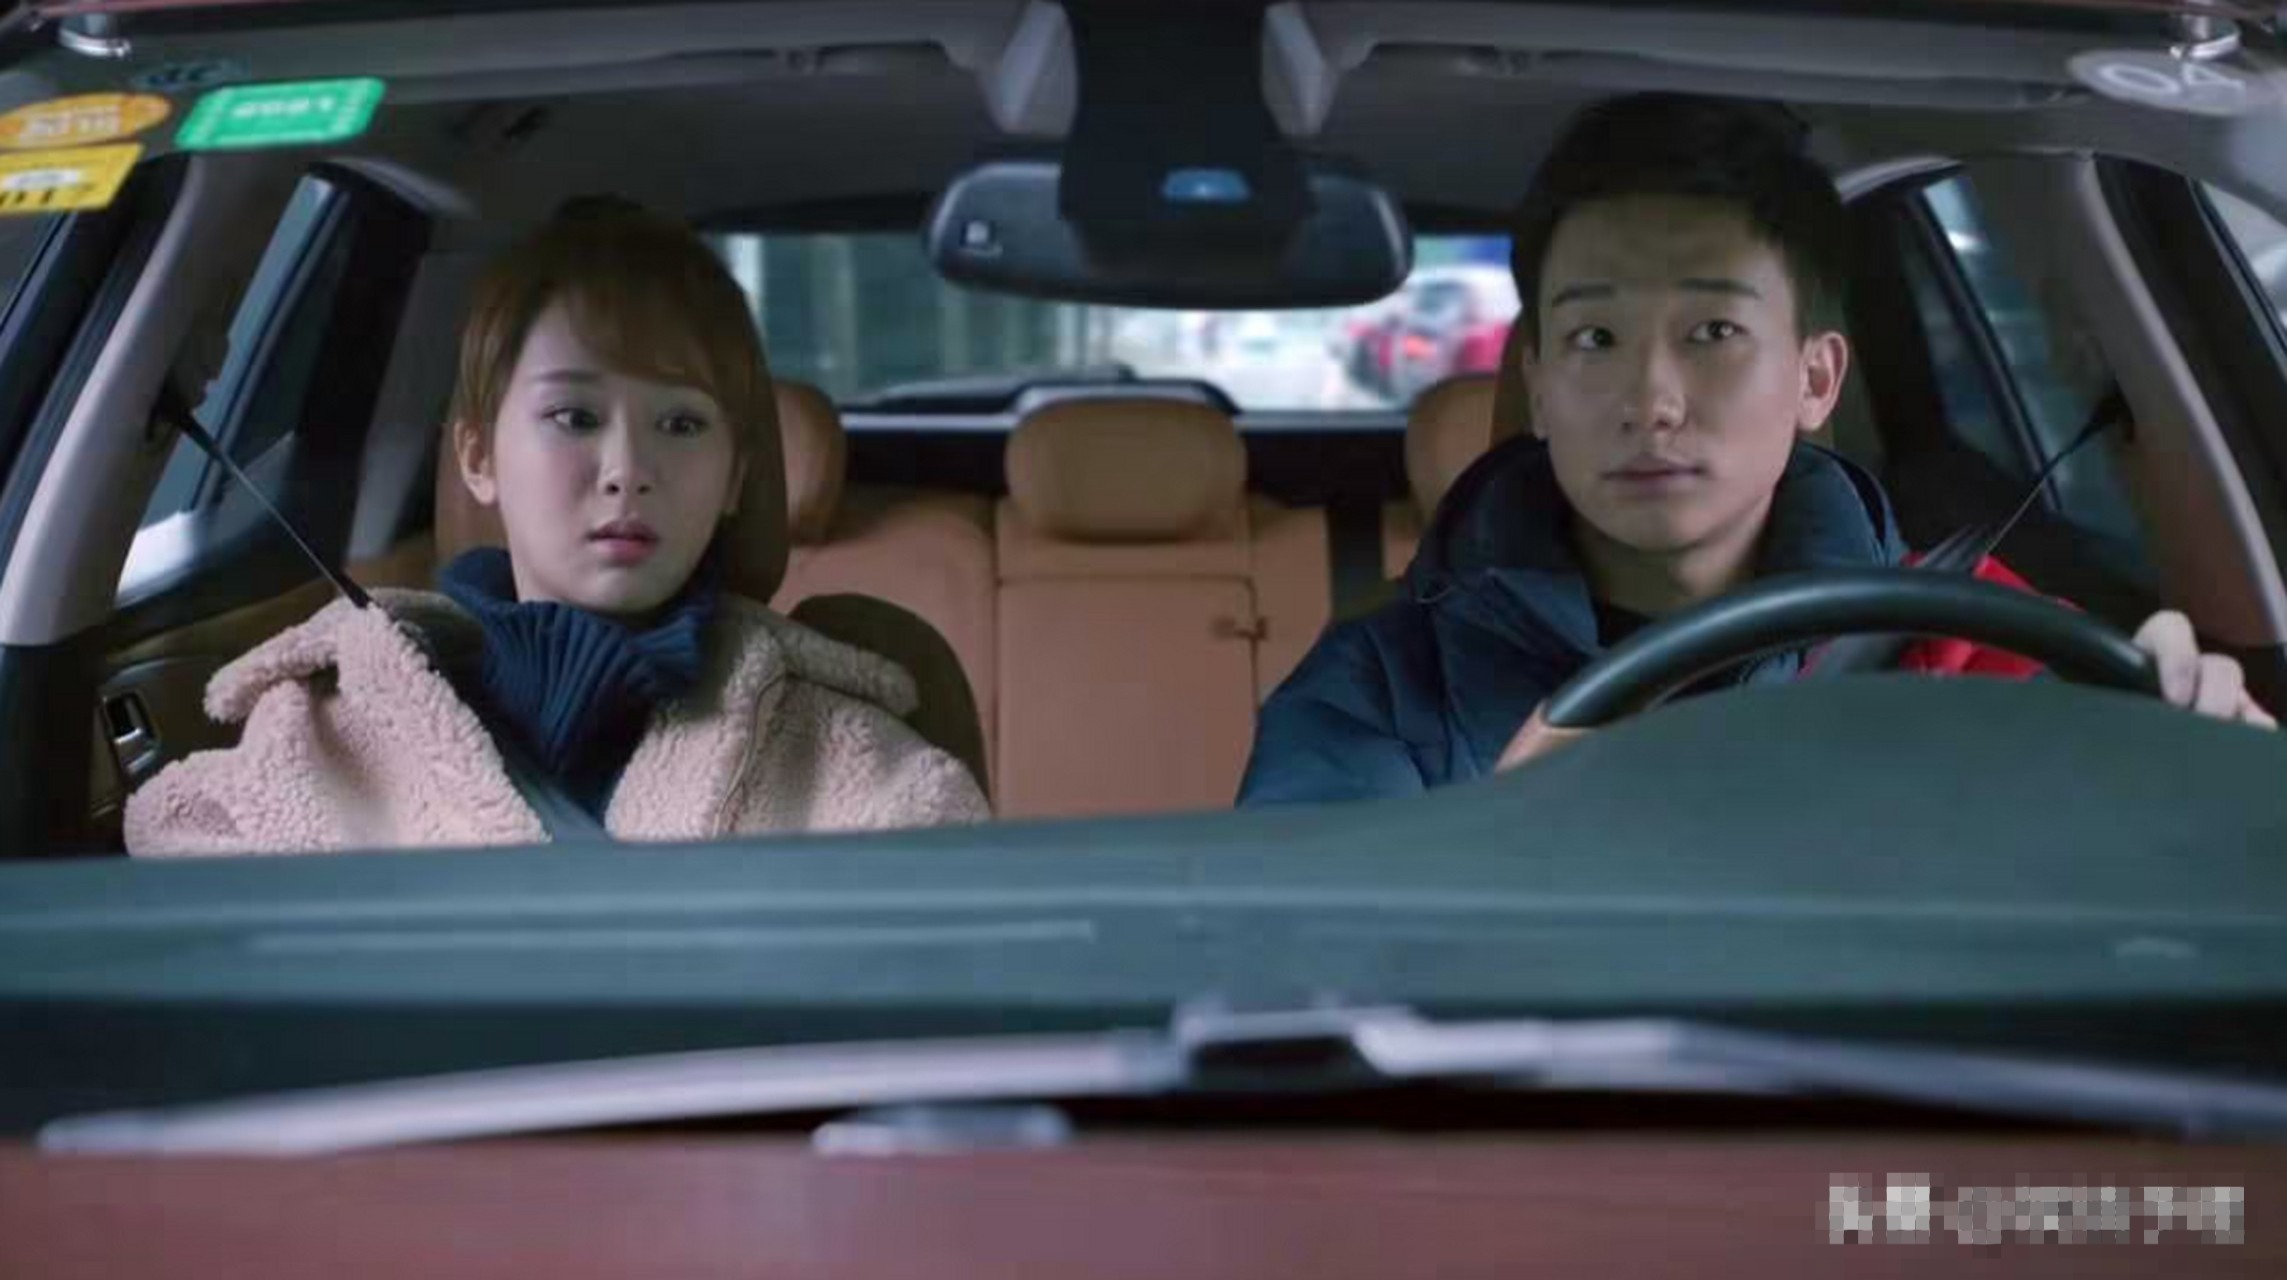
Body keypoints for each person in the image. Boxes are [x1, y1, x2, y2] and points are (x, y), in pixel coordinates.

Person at [1239, 93, 2275, 807]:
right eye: (1595, 339)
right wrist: (1498, 844)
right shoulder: (1382, 686)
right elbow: (1299, 964)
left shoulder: (1965, 644)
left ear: (1816, 380)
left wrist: (2206, 780)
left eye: (1713, 332)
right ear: (1540, 386)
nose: (1652, 401)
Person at [125, 197, 989, 855]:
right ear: (478, 456)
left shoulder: (851, 759)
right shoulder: (320, 735)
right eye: (574, 417)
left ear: (735, 478)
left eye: (681, 423)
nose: (627, 468)